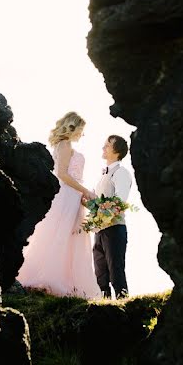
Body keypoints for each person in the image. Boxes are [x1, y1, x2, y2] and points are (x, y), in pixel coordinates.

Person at [17, 112, 101, 298]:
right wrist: (85, 190)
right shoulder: (64, 144)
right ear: (73, 126)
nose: (82, 134)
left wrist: (82, 194)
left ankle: (71, 281)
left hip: (73, 195)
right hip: (66, 195)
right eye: (81, 129)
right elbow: (62, 174)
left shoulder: (66, 144)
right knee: (60, 234)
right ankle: (51, 278)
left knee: (72, 237)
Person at [84, 135, 133, 299]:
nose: (103, 148)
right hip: (99, 230)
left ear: (117, 151)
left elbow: (119, 202)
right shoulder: (102, 175)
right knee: (100, 272)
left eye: (107, 145)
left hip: (115, 229)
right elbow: (98, 203)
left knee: (116, 271)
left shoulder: (121, 173)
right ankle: (104, 305)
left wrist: (102, 212)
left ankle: (123, 304)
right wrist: (88, 203)